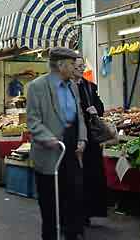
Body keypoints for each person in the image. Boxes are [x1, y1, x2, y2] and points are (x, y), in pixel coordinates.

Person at [27, 47, 88, 240]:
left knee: (74, 199)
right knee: (50, 204)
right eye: (71, 64)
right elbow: (33, 121)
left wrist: (82, 138)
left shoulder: (73, 86)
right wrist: (48, 138)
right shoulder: (37, 86)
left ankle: (71, 235)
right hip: (51, 151)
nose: (74, 68)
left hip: (71, 149)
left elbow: (79, 115)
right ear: (60, 65)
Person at [73, 56, 107, 225]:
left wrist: (96, 109)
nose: (81, 69)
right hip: (75, 136)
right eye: (78, 66)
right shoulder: (66, 87)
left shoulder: (89, 87)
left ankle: (88, 212)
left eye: (82, 66)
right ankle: (76, 213)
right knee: (77, 176)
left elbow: (101, 107)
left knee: (91, 174)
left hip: (91, 138)